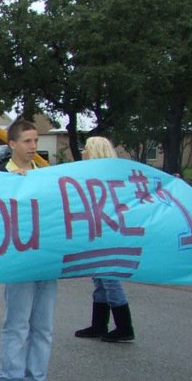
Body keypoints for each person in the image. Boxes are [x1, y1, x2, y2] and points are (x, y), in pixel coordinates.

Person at [0, 119, 59, 381]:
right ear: (12, 144)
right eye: (27, 141)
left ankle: (36, 377)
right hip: (19, 258)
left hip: (45, 256)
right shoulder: (0, 176)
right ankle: (9, 379)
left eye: (36, 141)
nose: (33, 147)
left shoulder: (44, 175)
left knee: (43, 323)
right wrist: (13, 187)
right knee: (18, 323)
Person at [73, 136, 135, 342]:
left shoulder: (106, 179)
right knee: (99, 278)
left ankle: (124, 327)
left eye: (86, 149)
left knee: (109, 279)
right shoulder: (97, 177)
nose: (82, 152)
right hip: (98, 232)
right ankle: (99, 324)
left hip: (107, 233)